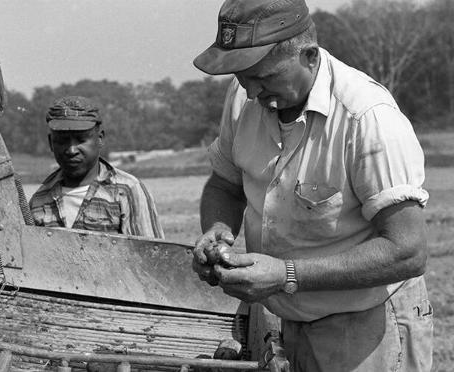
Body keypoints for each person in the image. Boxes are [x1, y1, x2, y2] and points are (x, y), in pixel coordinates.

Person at [190, 0, 433, 370]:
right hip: (288, 321)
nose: (252, 91)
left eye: (264, 77)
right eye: (242, 78)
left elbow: (408, 251)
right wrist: (218, 231)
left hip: (367, 324)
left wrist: (285, 275)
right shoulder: (246, 97)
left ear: (309, 56)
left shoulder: (367, 119)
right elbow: (226, 183)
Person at [29, 96, 164, 239]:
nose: (71, 150)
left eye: (81, 140)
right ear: (51, 143)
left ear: (100, 138)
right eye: (62, 141)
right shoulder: (39, 200)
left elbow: (151, 255)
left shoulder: (126, 191)